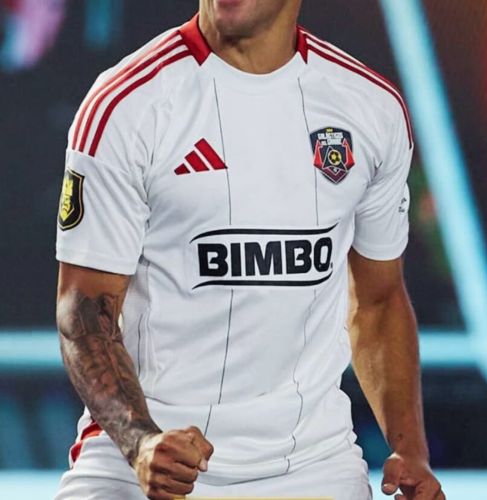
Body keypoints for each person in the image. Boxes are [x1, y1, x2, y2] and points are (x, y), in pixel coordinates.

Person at [55, 1, 445, 499]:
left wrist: (410, 452)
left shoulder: (370, 108)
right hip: (143, 455)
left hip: (312, 466)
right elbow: (83, 309)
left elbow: (379, 300)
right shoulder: (125, 104)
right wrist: (141, 442)